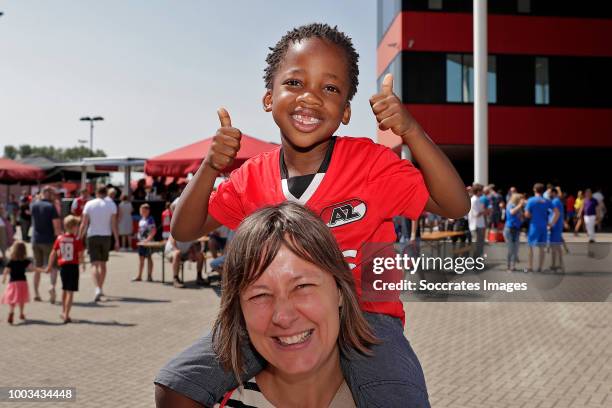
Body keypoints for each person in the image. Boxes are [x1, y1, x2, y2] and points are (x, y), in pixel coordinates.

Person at [161, 23, 469, 408]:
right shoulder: (250, 176)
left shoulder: (371, 163)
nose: (310, 98)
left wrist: (411, 130)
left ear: (345, 112)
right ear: (268, 98)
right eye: (294, 82)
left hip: (368, 318)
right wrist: (210, 165)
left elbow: (456, 206)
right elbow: (184, 229)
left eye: (330, 88)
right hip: (277, 313)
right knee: (175, 387)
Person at [156, 203, 378, 407]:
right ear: (239, 311)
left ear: (340, 290)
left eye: (302, 287)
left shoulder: (392, 395)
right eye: (260, 295)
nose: (283, 316)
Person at [79, 186, 120, 302]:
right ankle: (100, 287)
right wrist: (117, 240)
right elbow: (114, 224)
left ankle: (97, 288)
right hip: (106, 236)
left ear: (96, 192)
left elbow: (84, 223)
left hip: (92, 235)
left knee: (94, 264)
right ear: (106, 193)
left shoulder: (89, 204)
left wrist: (79, 237)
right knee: (103, 265)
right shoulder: (111, 204)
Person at [47, 215, 84, 323]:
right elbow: (81, 254)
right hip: (73, 266)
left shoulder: (59, 238)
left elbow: (53, 253)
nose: (78, 228)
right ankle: (67, 315)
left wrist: (49, 266)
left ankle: (63, 311)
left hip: (63, 267)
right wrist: (82, 263)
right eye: (77, 226)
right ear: (73, 227)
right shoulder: (76, 240)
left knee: (64, 289)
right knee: (70, 292)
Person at [30, 186, 62, 303]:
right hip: (49, 240)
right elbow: (57, 226)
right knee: (53, 266)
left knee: (37, 267)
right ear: (50, 194)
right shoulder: (51, 207)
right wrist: (59, 238)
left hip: (36, 239)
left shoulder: (34, 205)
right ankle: (52, 287)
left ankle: (36, 293)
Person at [525, 183, 557, 272]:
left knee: (531, 247)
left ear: (534, 190)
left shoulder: (531, 200)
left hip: (534, 226)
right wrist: (551, 223)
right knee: (542, 248)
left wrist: (532, 216)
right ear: (543, 191)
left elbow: (526, 214)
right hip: (543, 226)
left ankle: (530, 267)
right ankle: (540, 267)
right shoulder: (547, 201)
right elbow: (557, 213)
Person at [1, 241, 31, 324]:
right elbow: (32, 268)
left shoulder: (11, 261)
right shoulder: (26, 261)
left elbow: (6, 270)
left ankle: (11, 311)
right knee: (21, 298)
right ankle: (21, 313)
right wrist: (42, 270)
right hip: (22, 282)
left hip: (13, 283)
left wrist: (4, 279)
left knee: (12, 299)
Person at [133, 204, 157, 282]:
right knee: (141, 259)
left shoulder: (150, 219)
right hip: (141, 243)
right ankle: (139, 276)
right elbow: (140, 230)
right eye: (141, 210)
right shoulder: (141, 219)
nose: (141, 212)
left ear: (147, 211)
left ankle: (149, 276)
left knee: (149, 258)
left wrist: (147, 240)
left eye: (143, 210)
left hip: (147, 243)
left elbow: (153, 231)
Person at [503, 193, 524, 272]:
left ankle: (513, 266)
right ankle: (508, 266)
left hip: (516, 229)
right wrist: (520, 205)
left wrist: (521, 216)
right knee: (511, 248)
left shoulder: (518, 207)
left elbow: (520, 218)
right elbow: (512, 212)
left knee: (516, 249)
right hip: (510, 229)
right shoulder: (510, 205)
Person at [547, 188, 564, 272]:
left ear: (554, 193)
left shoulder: (555, 201)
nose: (548, 194)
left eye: (549, 192)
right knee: (557, 246)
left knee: (554, 246)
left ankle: (554, 265)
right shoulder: (556, 201)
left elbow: (557, 214)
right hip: (556, 226)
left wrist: (551, 224)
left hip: (555, 226)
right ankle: (558, 264)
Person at [468, 183, 487, 258]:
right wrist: (486, 211)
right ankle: (475, 263)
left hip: (479, 225)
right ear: (478, 191)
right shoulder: (474, 200)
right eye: (481, 190)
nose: (483, 192)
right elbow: (476, 214)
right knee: (477, 246)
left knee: (479, 245)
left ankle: (477, 262)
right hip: (476, 226)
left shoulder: (477, 200)